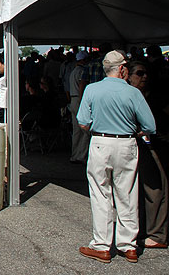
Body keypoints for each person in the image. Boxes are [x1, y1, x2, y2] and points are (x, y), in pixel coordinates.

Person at [77, 51, 156, 264]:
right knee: (127, 193)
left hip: (101, 142)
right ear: (121, 69)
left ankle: (102, 245)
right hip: (126, 143)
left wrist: (95, 129)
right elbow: (150, 126)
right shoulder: (133, 92)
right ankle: (128, 245)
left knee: (100, 193)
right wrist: (135, 132)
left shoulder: (92, 89)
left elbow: (83, 121)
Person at [128, 61, 168, 249]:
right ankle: (141, 230)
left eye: (146, 74)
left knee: (156, 190)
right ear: (128, 75)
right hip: (134, 148)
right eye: (140, 73)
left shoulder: (155, 97)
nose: (144, 77)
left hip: (155, 147)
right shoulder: (129, 96)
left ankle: (158, 235)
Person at [69, 51, 91, 163]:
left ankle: (74, 154)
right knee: (85, 130)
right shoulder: (82, 71)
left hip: (73, 99)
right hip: (79, 99)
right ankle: (81, 155)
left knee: (76, 130)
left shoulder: (73, 71)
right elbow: (82, 85)